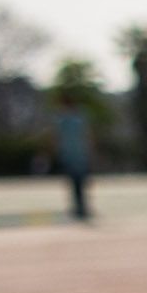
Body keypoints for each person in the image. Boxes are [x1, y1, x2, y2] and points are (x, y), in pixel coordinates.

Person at [53, 83, 96, 223]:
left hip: (80, 156)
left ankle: (83, 207)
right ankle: (77, 207)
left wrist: (91, 151)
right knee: (73, 183)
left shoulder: (79, 117)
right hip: (69, 156)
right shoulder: (62, 119)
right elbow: (57, 137)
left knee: (82, 183)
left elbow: (87, 136)